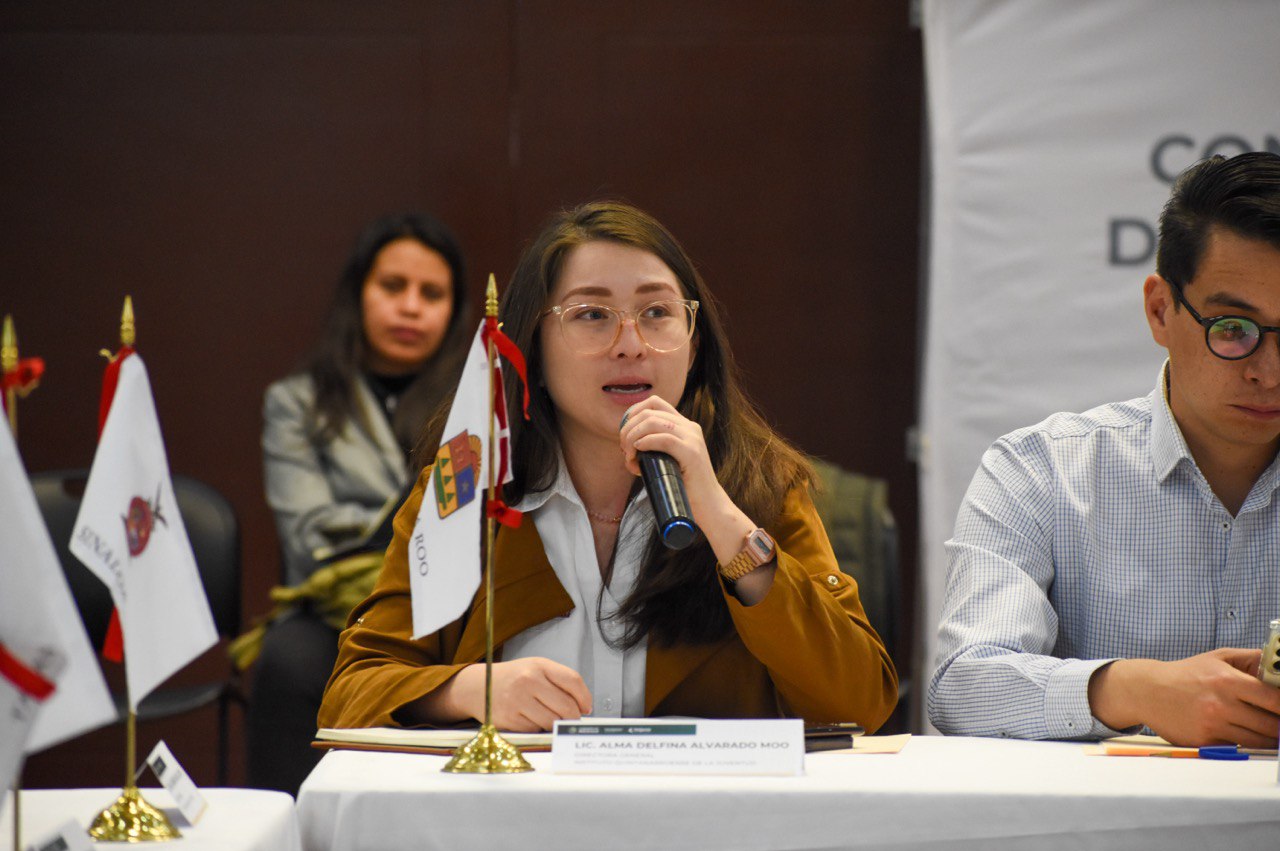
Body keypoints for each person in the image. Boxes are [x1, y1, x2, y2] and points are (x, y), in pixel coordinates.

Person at [319, 201, 898, 733]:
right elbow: (350, 696)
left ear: (694, 345)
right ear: (533, 347)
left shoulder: (763, 488)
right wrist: (468, 691)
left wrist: (724, 521)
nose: (630, 344)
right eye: (593, 314)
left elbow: (861, 703)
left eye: (657, 312)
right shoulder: (468, 489)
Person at [929, 151, 1280, 747]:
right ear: (1160, 310)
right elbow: (961, 685)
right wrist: (1133, 690)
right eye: (1232, 329)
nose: (1268, 373)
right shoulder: (1040, 471)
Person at [248, 212, 470, 793]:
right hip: (333, 609)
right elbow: (312, 538)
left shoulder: (475, 405)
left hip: (449, 604)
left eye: (432, 294)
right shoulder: (296, 403)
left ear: (454, 310)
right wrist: (413, 523)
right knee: (287, 659)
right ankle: (290, 824)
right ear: (358, 294)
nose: (411, 307)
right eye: (393, 286)